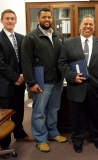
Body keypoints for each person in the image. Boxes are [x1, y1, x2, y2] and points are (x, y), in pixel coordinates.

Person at [58, 14, 98, 153]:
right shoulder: (68, 43)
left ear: (94, 27)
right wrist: (72, 76)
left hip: (96, 88)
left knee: (96, 115)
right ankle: (77, 140)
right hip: (76, 87)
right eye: (85, 24)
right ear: (80, 26)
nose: (88, 26)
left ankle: (96, 137)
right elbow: (61, 63)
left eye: (91, 24)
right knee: (76, 117)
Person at [0, 9, 35, 158]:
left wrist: (23, 76)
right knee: (4, 116)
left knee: (19, 112)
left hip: (19, 84)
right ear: (1, 20)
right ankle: (4, 146)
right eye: (7, 18)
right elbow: (0, 64)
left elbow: (26, 60)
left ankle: (20, 134)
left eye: (12, 19)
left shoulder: (21, 38)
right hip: (6, 86)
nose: (10, 21)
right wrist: (16, 77)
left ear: (16, 21)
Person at [21, 8, 67, 152]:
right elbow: (26, 62)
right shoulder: (30, 37)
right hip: (41, 82)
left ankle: (53, 133)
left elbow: (62, 59)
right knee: (39, 112)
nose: (47, 19)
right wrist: (31, 83)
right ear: (38, 19)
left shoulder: (59, 36)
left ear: (52, 19)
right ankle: (40, 138)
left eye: (49, 17)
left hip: (57, 81)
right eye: (44, 17)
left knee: (54, 110)